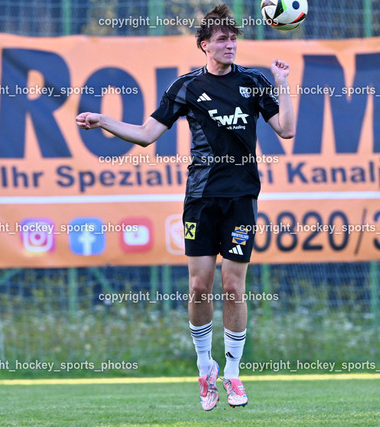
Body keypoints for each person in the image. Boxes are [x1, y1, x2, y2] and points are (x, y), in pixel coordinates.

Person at [76, 3, 295, 411]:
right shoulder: (186, 87)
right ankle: (205, 367)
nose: (230, 45)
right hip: (200, 199)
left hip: (241, 197)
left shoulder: (254, 82)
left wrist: (282, 83)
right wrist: (104, 121)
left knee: (234, 287)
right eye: (222, 39)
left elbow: (287, 129)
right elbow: (146, 134)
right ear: (204, 45)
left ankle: (233, 372)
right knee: (199, 286)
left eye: (234, 38)